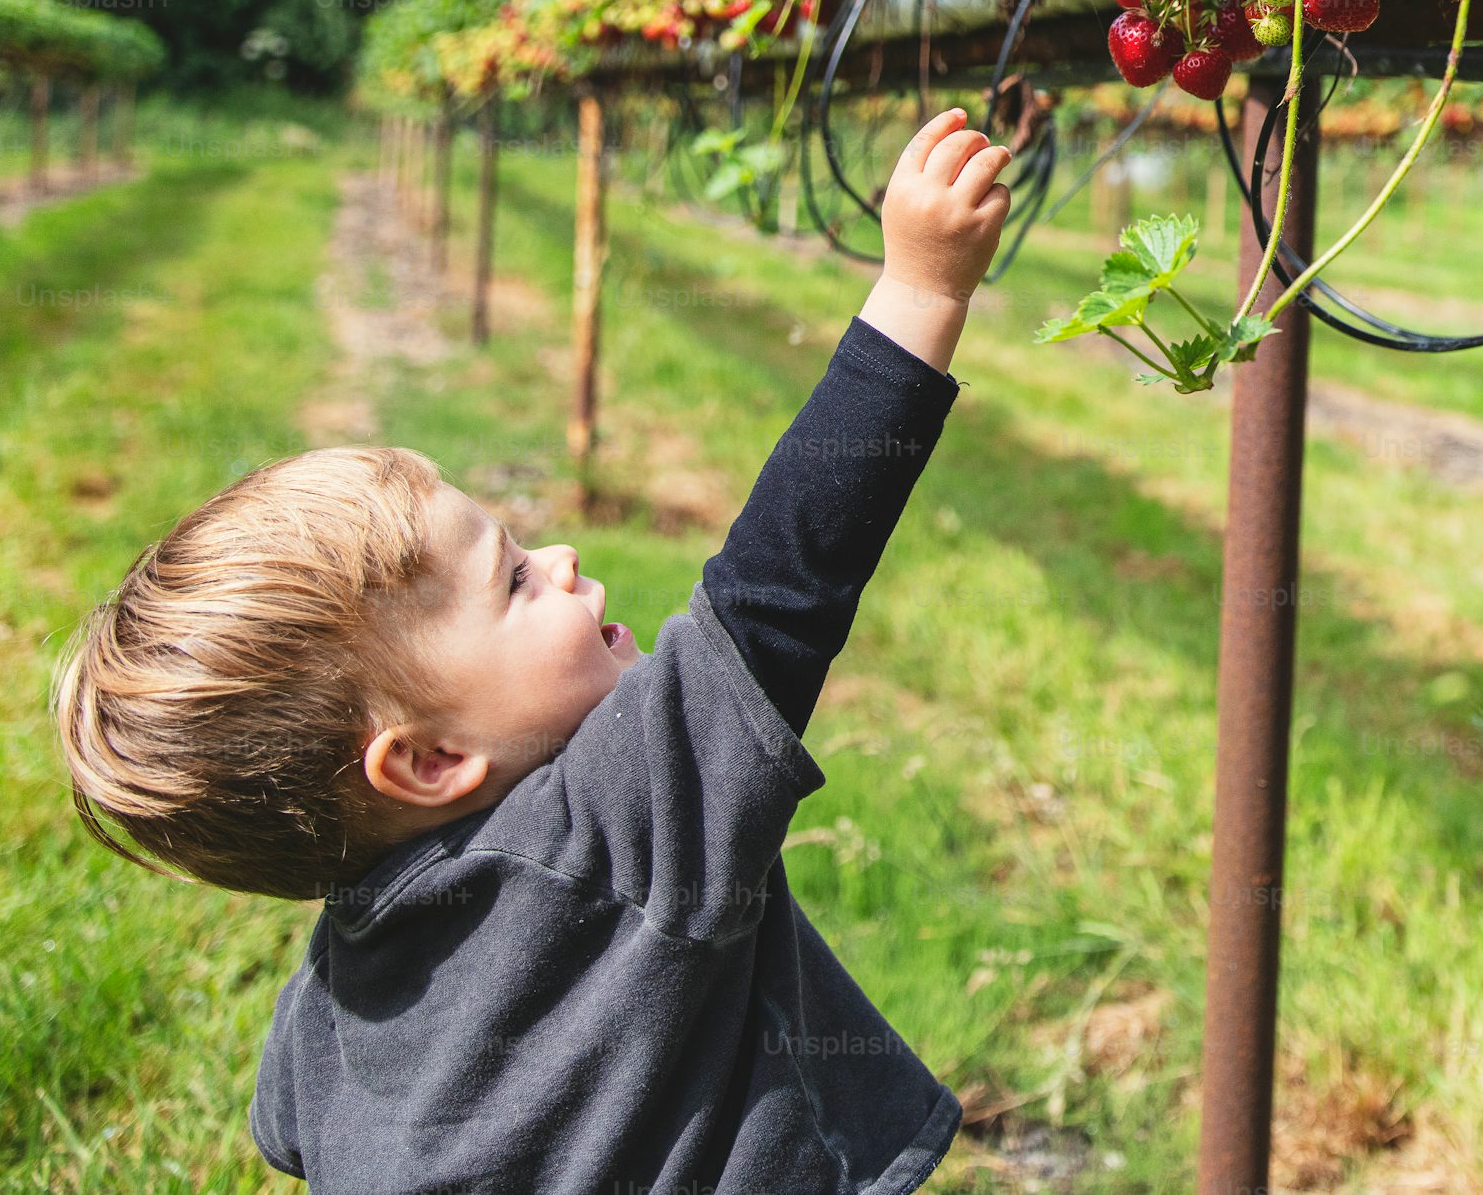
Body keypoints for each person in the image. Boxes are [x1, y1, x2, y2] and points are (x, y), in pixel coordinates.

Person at [53, 108, 1013, 1195]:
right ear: (426, 762)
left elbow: (296, 1135)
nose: (560, 558)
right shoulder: (612, 835)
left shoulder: (337, 989)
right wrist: (923, 292)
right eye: (512, 580)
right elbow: (784, 580)